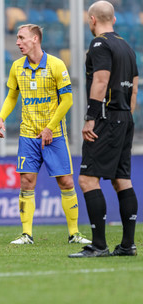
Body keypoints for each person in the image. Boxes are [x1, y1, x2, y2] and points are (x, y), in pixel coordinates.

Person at [0, 24, 91, 245]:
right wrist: (1, 117)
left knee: (66, 182)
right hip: (28, 135)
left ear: (35, 39)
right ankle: (26, 234)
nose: (18, 42)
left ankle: (74, 233)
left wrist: (50, 127)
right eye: (17, 38)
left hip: (54, 134)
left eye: (21, 38)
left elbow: (67, 100)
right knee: (26, 182)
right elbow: (12, 97)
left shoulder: (56, 65)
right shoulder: (17, 67)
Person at [69, 1, 139, 258]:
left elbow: (101, 79)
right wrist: (126, 118)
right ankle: (127, 245)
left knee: (88, 179)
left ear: (92, 20)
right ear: (114, 19)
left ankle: (98, 245)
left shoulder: (100, 44)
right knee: (122, 179)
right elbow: (134, 86)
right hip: (124, 117)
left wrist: (91, 117)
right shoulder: (127, 47)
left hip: (106, 117)